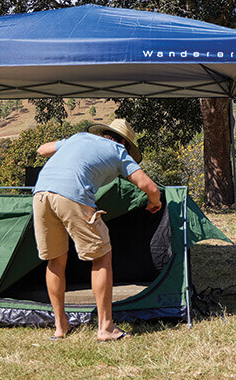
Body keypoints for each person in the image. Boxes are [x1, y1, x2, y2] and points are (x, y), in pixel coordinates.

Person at [32, 118, 162, 342]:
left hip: (41, 193)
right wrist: (154, 202)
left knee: (55, 260)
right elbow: (150, 187)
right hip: (71, 194)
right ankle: (105, 328)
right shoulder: (118, 151)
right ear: (124, 142)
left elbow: (42, 150)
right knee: (102, 256)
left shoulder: (79, 137)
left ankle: (60, 326)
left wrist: (69, 148)